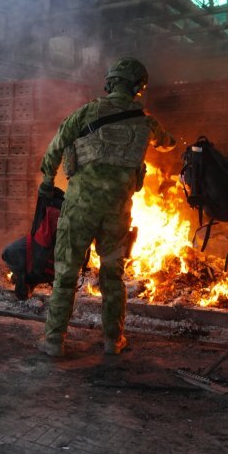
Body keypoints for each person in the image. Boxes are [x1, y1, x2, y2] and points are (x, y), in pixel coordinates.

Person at [36, 57, 176, 357]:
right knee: (111, 277)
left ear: (110, 81)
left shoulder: (88, 111)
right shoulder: (146, 120)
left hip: (78, 210)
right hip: (116, 213)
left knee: (66, 274)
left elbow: (57, 144)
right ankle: (113, 340)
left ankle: (53, 342)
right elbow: (168, 144)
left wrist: (47, 179)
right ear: (138, 86)